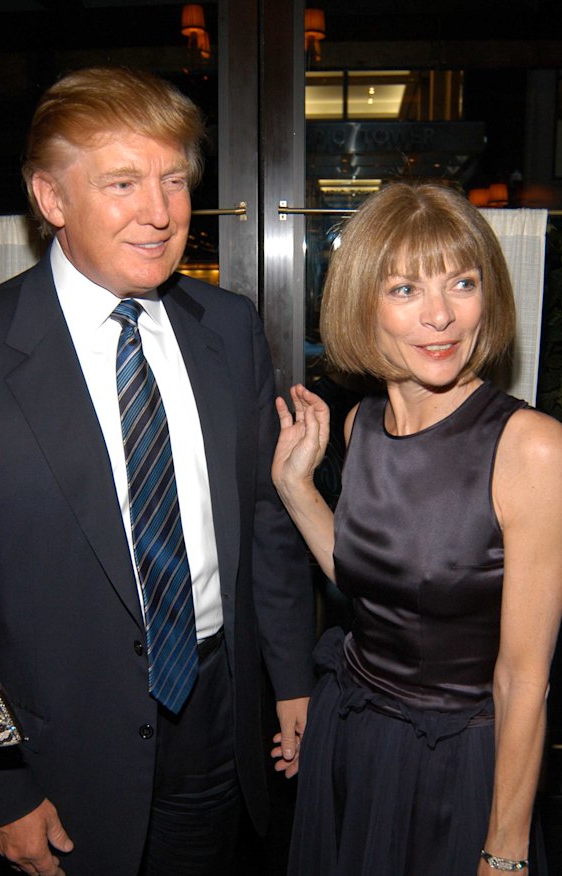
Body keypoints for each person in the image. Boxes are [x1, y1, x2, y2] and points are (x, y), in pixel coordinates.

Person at [0, 66, 315, 876]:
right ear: (51, 199)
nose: (160, 213)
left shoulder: (228, 328)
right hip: (52, 744)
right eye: (123, 183)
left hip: (218, 713)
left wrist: (292, 679)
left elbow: (264, 522)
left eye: (173, 180)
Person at [271, 181, 562, 875]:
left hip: (455, 764)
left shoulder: (531, 448)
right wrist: (295, 487)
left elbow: (524, 679)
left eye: (463, 283)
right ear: (361, 305)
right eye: (405, 289)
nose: (441, 316)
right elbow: (372, 580)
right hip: (355, 735)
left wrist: (505, 851)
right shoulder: (360, 424)